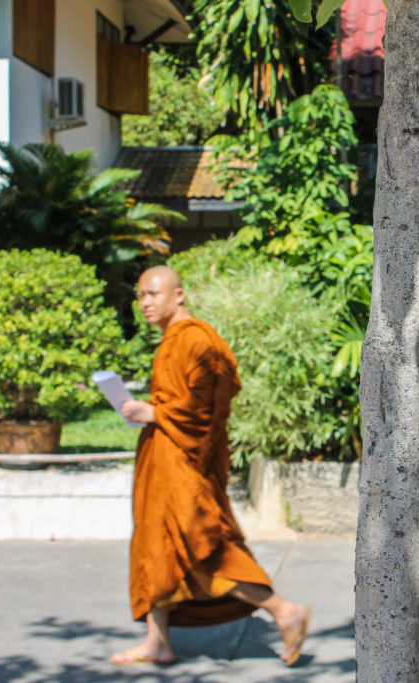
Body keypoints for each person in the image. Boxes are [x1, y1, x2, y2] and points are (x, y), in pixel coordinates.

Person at [110, 265, 310, 667]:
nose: (144, 302)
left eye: (152, 293)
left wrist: (156, 413)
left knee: (202, 547)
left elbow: (206, 408)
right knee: (156, 548)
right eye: (140, 296)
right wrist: (150, 412)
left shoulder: (198, 339)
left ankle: (283, 610)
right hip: (163, 461)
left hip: (184, 464)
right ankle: (157, 642)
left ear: (178, 294)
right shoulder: (172, 340)